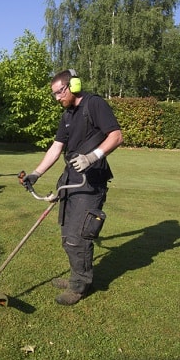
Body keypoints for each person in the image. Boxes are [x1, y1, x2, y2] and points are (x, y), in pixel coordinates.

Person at [23, 69, 123, 305]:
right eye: (54, 95)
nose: (57, 98)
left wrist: (92, 156)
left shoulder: (94, 104)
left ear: (72, 86)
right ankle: (76, 276)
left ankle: (79, 286)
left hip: (91, 182)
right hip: (71, 179)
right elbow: (56, 147)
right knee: (67, 235)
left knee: (79, 236)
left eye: (59, 93)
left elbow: (116, 136)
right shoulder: (67, 115)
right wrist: (36, 173)